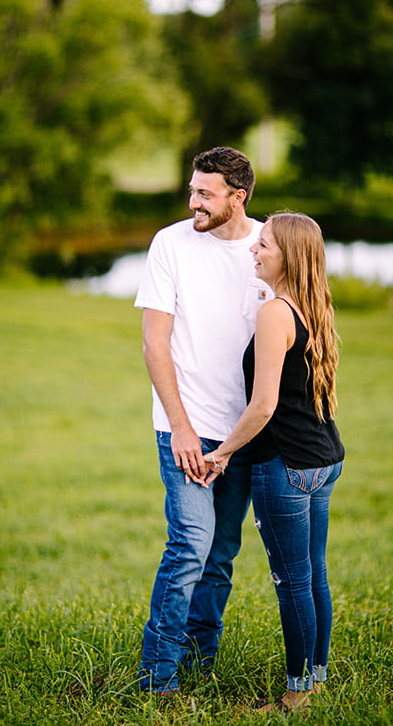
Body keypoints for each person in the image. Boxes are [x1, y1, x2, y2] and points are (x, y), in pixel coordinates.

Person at [133, 147, 272, 695]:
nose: (192, 201)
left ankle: (198, 667)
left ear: (238, 197)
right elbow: (154, 341)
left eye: (204, 193)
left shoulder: (269, 246)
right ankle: (158, 679)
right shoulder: (171, 243)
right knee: (191, 542)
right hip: (183, 426)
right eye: (192, 190)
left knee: (221, 553)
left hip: (245, 432)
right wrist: (182, 426)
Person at [201, 213, 345, 713]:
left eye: (263, 245)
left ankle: (297, 693)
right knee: (315, 574)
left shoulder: (274, 313)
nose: (253, 250)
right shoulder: (313, 304)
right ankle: (317, 679)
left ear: (289, 255)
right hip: (323, 460)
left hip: (284, 466)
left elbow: (262, 406)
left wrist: (221, 452)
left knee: (293, 583)